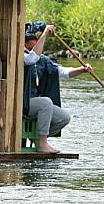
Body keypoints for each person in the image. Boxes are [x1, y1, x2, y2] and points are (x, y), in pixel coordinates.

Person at [23, 22, 93, 153]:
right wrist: (44, 34)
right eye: (35, 40)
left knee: (63, 117)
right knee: (45, 103)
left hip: (34, 101)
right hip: (22, 101)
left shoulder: (43, 60)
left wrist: (82, 70)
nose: (39, 42)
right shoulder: (20, 55)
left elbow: (63, 72)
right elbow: (31, 59)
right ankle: (43, 144)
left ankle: (38, 140)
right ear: (26, 43)